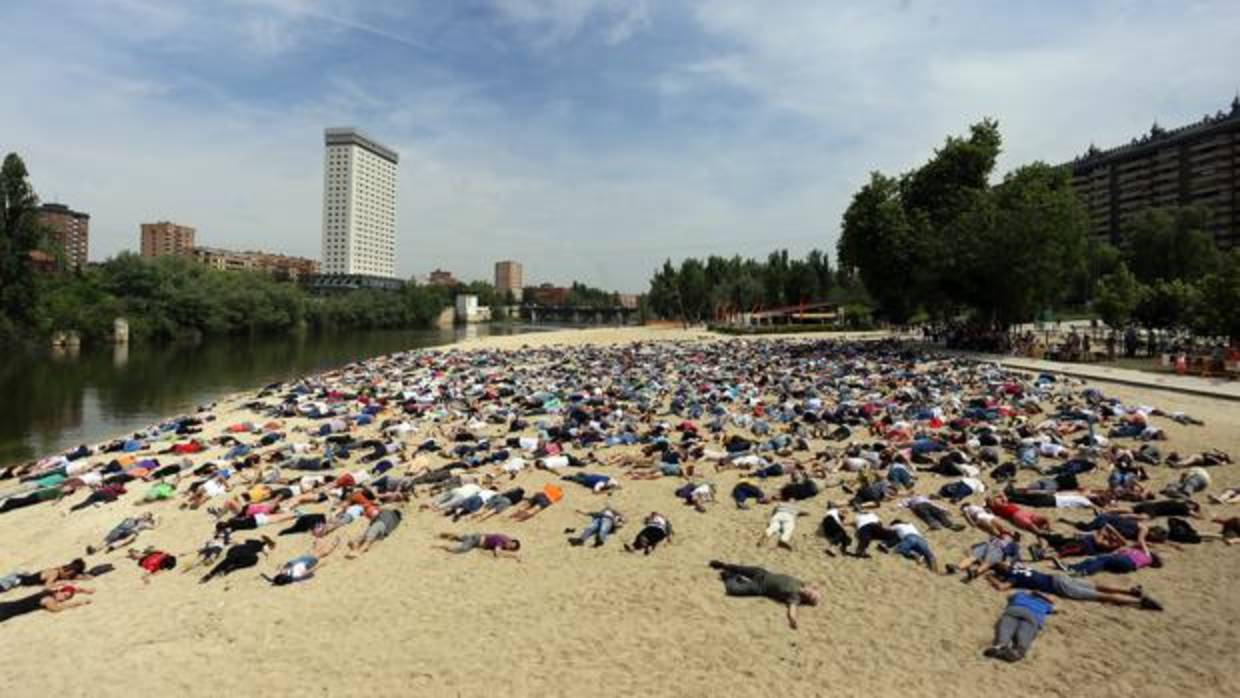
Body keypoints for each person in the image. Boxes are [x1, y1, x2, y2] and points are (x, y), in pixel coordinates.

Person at [986, 561, 1161, 610]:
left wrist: (990, 578)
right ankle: (1131, 591)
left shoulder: (1013, 577)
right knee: (1097, 586)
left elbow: (1002, 588)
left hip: (1058, 588)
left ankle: (1137, 603)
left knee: (1098, 595)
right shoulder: (1019, 567)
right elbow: (1009, 562)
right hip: (1058, 577)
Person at [708, 560, 821, 630]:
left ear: (806, 599)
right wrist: (815, 589)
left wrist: (793, 620)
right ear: (809, 588)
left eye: (809, 597)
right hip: (762, 573)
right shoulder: (799, 582)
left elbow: (792, 610)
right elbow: (815, 583)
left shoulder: (795, 597)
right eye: (811, 592)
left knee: (733, 590)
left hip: (760, 587)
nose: (808, 593)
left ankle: (729, 576)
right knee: (739, 568)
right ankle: (723, 565)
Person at [984, 592, 1054, 662]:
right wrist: (1046, 599)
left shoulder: (1021, 594)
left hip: (1014, 610)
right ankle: (1017, 651)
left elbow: (1009, 596)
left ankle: (1000, 645)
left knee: (1005, 628)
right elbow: (1055, 609)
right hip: (1032, 616)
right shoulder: (1046, 604)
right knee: (1024, 635)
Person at [0, 584, 94, 624]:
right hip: (6, 611)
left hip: (7, 605)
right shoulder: (49, 599)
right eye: (64, 596)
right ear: (59, 591)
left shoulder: (49, 591)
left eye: (66, 598)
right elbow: (56, 609)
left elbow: (71, 589)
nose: (63, 599)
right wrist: (78, 603)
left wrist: (85, 590)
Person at [264, 537, 341, 585]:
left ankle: (330, 543)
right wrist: (321, 565)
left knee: (320, 551)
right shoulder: (287, 572)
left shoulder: (293, 576)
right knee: (320, 552)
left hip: (305, 561)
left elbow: (310, 571)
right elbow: (310, 571)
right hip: (303, 560)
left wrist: (320, 565)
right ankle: (332, 543)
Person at [200, 536, 276, 583]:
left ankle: (211, 574)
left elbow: (241, 542)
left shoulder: (254, 540)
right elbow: (267, 553)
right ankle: (231, 568)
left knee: (228, 560)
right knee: (254, 559)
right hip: (245, 554)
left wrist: (230, 542)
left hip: (235, 549)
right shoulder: (264, 546)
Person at [86, 512, 156, 554]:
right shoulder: (132, 517)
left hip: (130, 532)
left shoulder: (144, 523)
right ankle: (95, 549)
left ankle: (113, 546)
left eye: (146, 516)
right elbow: (123, 521)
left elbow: (153, 527)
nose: (143, 515)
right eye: (144, 514)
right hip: (120, 529)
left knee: (133, 535)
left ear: (147, 519)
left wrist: (157, 519)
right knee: (107, 540)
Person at [436, 533, 521, 560]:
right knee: (462, 549)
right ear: (510, 541)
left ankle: (451, 535)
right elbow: (497, 553)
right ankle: (443, 546)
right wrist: (513, 556)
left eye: (511, 548)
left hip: (476, 536)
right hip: (475, 541)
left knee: (461, 538)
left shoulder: (503, 537)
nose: (509, 547)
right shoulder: (501, 542)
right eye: (511, 545)